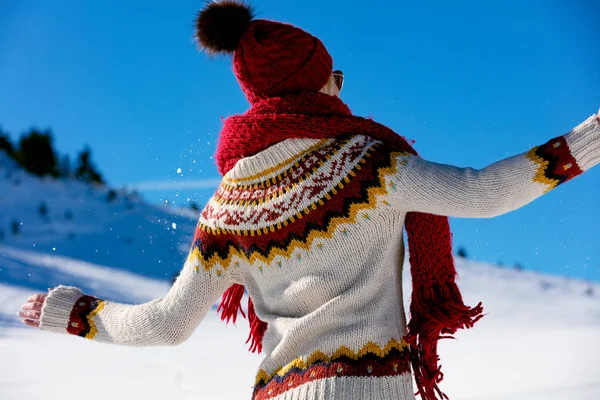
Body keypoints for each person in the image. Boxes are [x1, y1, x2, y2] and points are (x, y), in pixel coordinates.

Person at [19, 2, 600, 400]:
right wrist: (586, 142)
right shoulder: (368, 164)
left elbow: (169, 324)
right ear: (316, 84)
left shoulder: (228, 204)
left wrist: (76, 314)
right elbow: (482, 193)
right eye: (334, 76)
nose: (341, 86)